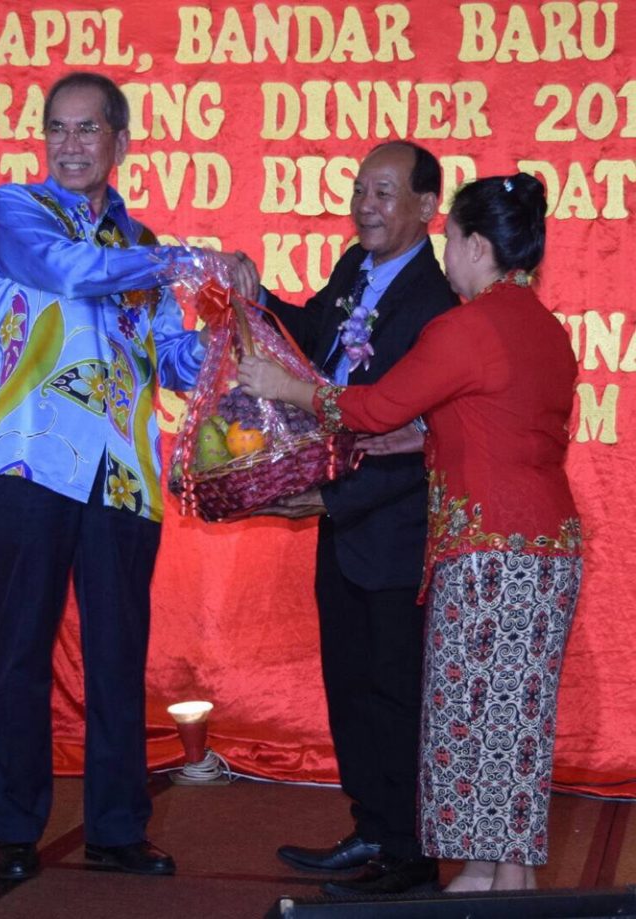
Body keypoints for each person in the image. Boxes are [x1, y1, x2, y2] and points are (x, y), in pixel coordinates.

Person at [238, 172, 583, 893]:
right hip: (544, 549)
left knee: (485, 721)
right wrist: (407, 439)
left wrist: (284, 386)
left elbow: (374, 406)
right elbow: (471, 425)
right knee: (510, 720)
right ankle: (490, 873)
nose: (445, 253)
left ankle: (509, 884)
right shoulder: (544, 328)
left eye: (450, 239)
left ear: (478, 245)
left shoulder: (468, 327)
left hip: (490, 552)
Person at [0, 71, 253, 882]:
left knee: (119, 656)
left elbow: (173, 360)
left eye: (86, 129)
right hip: (29, 462)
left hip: (123, 476)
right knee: (19, 652)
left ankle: (118, 829)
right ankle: (15, 828)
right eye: (57, 129)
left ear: (119, 142)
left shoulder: (142, 243)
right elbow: (68, 271)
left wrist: (234, 331)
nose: (69, 145)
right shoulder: (17, 210)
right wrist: (185, 260)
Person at [255, 141, 459, 895]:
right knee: (349, 686)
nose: (364, 206)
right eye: (359, 190)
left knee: (396, 695)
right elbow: (314, 337)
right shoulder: (354, 268)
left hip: (395, 533)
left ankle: (409, 855)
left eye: (383, 192)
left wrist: (331, 498)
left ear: (427, 207)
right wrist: (254, 297)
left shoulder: (436, 304)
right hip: (342, 524)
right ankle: (372, 826)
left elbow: (421, 441)